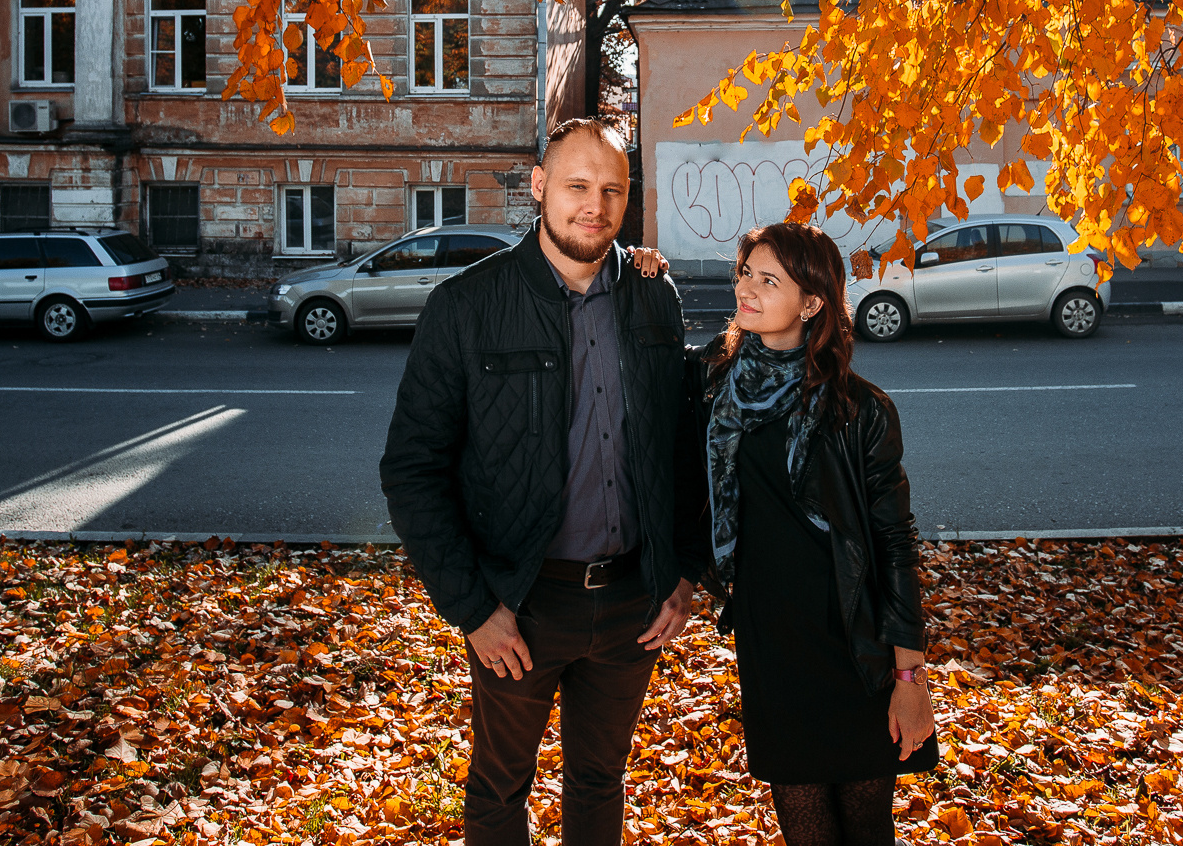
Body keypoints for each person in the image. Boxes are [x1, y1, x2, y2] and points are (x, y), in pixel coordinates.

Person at [379, 115, 705, 846]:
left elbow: (683, 448)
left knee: (600, 779)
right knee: (499, 788)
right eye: (578, 186)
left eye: (612, 189)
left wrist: (683, 570)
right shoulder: (465, 308)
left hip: (630, 604)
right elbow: (411, 471)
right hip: (518, 603)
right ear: (538, 187)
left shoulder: (655, 296)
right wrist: (471, 608)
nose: (595, 205)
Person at [695, 220, 937, 845]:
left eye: (768, 280)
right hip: (772, 643)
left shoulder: (860, 410)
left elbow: (894, 543)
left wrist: (910, 677)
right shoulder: (711, 388)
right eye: (745, 273)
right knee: (805, 831)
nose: (746, 289)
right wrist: (638, 263)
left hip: (853, 646)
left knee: (864, 825)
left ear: (811, 303)